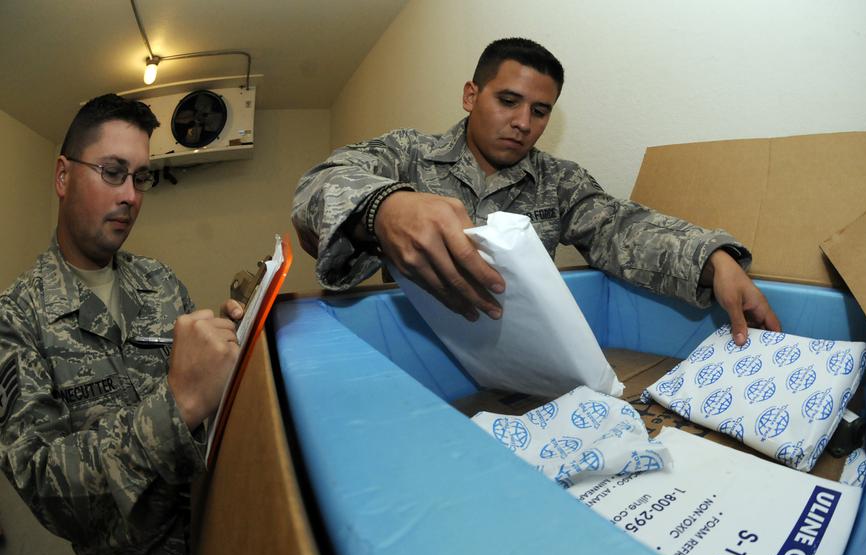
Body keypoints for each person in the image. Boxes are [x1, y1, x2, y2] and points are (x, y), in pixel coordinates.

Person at [292, 37, 780, 344]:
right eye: (508, 101)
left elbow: (619, 227)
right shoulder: (408, 154)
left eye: (540, 111)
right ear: (471, 95)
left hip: (519, 357)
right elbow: (318, 184)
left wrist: (712, 259)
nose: (523, 123)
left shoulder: (559, 182)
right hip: (419, 350)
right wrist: (384, 207)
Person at [0, 94, 243, 555]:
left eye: (141, 177)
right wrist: (178, 403)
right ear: (63, 176)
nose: (130, 196)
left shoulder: (161, 282)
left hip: (220, 531)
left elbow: (211, 412)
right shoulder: (16, 318)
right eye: (112, 171)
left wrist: (233, 347)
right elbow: (47, 489)